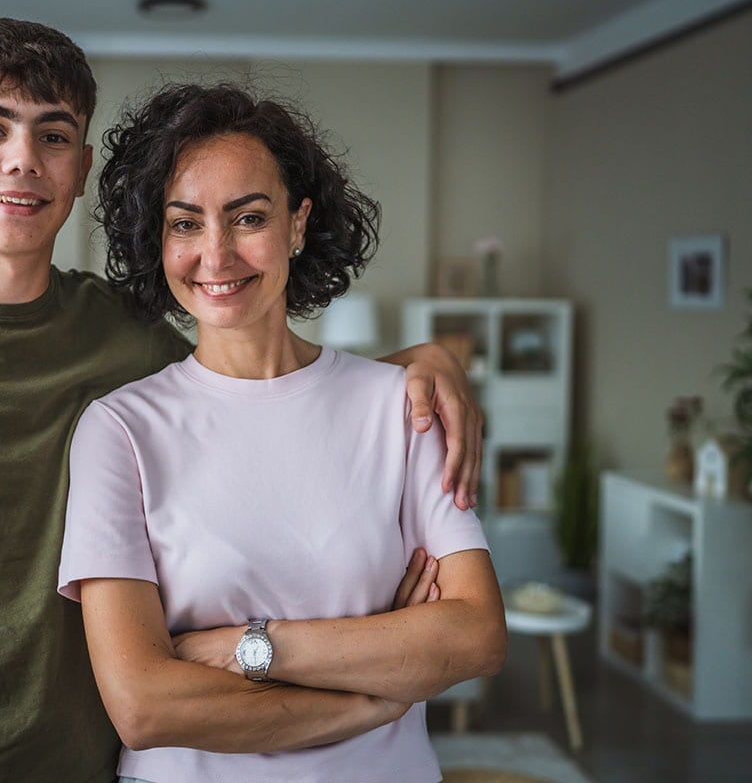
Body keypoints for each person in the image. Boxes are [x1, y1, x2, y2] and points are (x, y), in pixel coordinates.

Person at [0, 20, 483, 782]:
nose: (23, 159)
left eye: (53, 136)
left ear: (83, 167)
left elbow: (254, 389)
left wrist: (409, 370)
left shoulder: (125, 332)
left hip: (99, 766)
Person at [58, 82, 507, 783]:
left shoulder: (404, 406)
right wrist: (374, 697)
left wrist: (250, 647)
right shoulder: (119, 431)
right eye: (185, 223)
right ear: (157, 240)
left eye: (248, 217)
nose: (216, 254)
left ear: (298, 224)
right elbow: (143, 706)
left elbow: (475, 636)